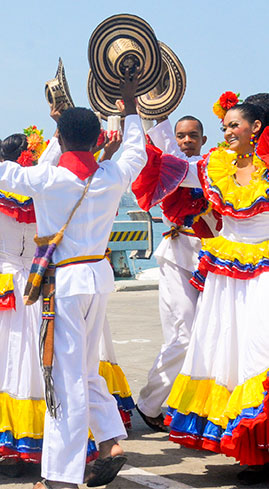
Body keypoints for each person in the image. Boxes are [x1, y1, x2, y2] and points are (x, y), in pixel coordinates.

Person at [0, 69, 146, 489]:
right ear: (99, 139)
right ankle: (110, 441)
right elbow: (135, 150)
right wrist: (131, 109)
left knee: (63, 379)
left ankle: (61, 477)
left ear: (60, 140)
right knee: (83, 369)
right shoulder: (112, 176)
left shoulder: (46, 178)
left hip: (63, 285)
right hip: (98, 279)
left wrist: (52, 138)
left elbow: (7, 173)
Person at [142, 95, 269, 484]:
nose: (227, 131)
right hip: (226, 280)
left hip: (263, 271)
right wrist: (148, 114)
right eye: (226, 125)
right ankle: (253, 453)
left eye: (235, 125)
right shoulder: (213, 166)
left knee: (259, 354)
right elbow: (167, 161)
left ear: (257, 129)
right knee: (228, 356)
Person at [134, 115, 219, 431]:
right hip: (177, 257)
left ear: (203, 139)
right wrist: (157, 115)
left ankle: (200, 409)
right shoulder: (171, 168)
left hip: (214, 261)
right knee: (182, 335)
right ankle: (150, 403)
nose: (185, 140)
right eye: (180, 135)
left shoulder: (213, 166)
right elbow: (167, 150)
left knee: (211, 335)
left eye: (192, 135)